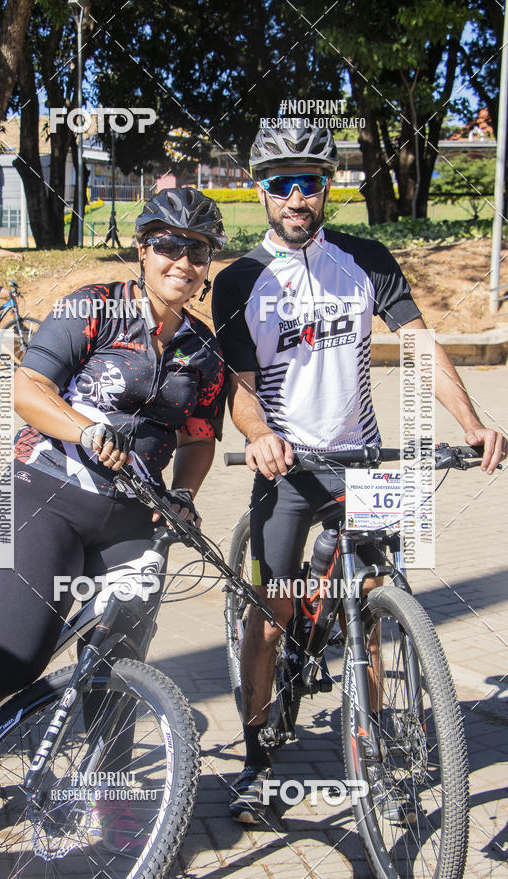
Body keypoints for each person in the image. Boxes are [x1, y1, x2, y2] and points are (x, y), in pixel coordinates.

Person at [211, 122, 508, 825]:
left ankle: (376, 754)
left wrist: (470, 421)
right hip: (286, 469)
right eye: (281, 183)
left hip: (366, 462)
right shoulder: (238, 280)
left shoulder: (366, 260)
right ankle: (258, 764)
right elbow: (241, 384)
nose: (294, 196)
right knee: (272, 617)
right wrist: (257, 436)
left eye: (308, 182)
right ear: (262, 191)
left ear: (326, 189)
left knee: (374, 611)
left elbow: (419, 347)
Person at [0, 189, 227, 806]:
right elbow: (27, 389)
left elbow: (199, 438)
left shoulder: (204, 350)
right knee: (15, 658)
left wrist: (183, 494)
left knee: (118, 662)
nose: (181, 261)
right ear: (143, 249)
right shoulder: (96, 307)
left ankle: (115, 804)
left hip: (134, 516)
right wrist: (85, 430)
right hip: (37, 490)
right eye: (168, 245)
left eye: (197, 249)